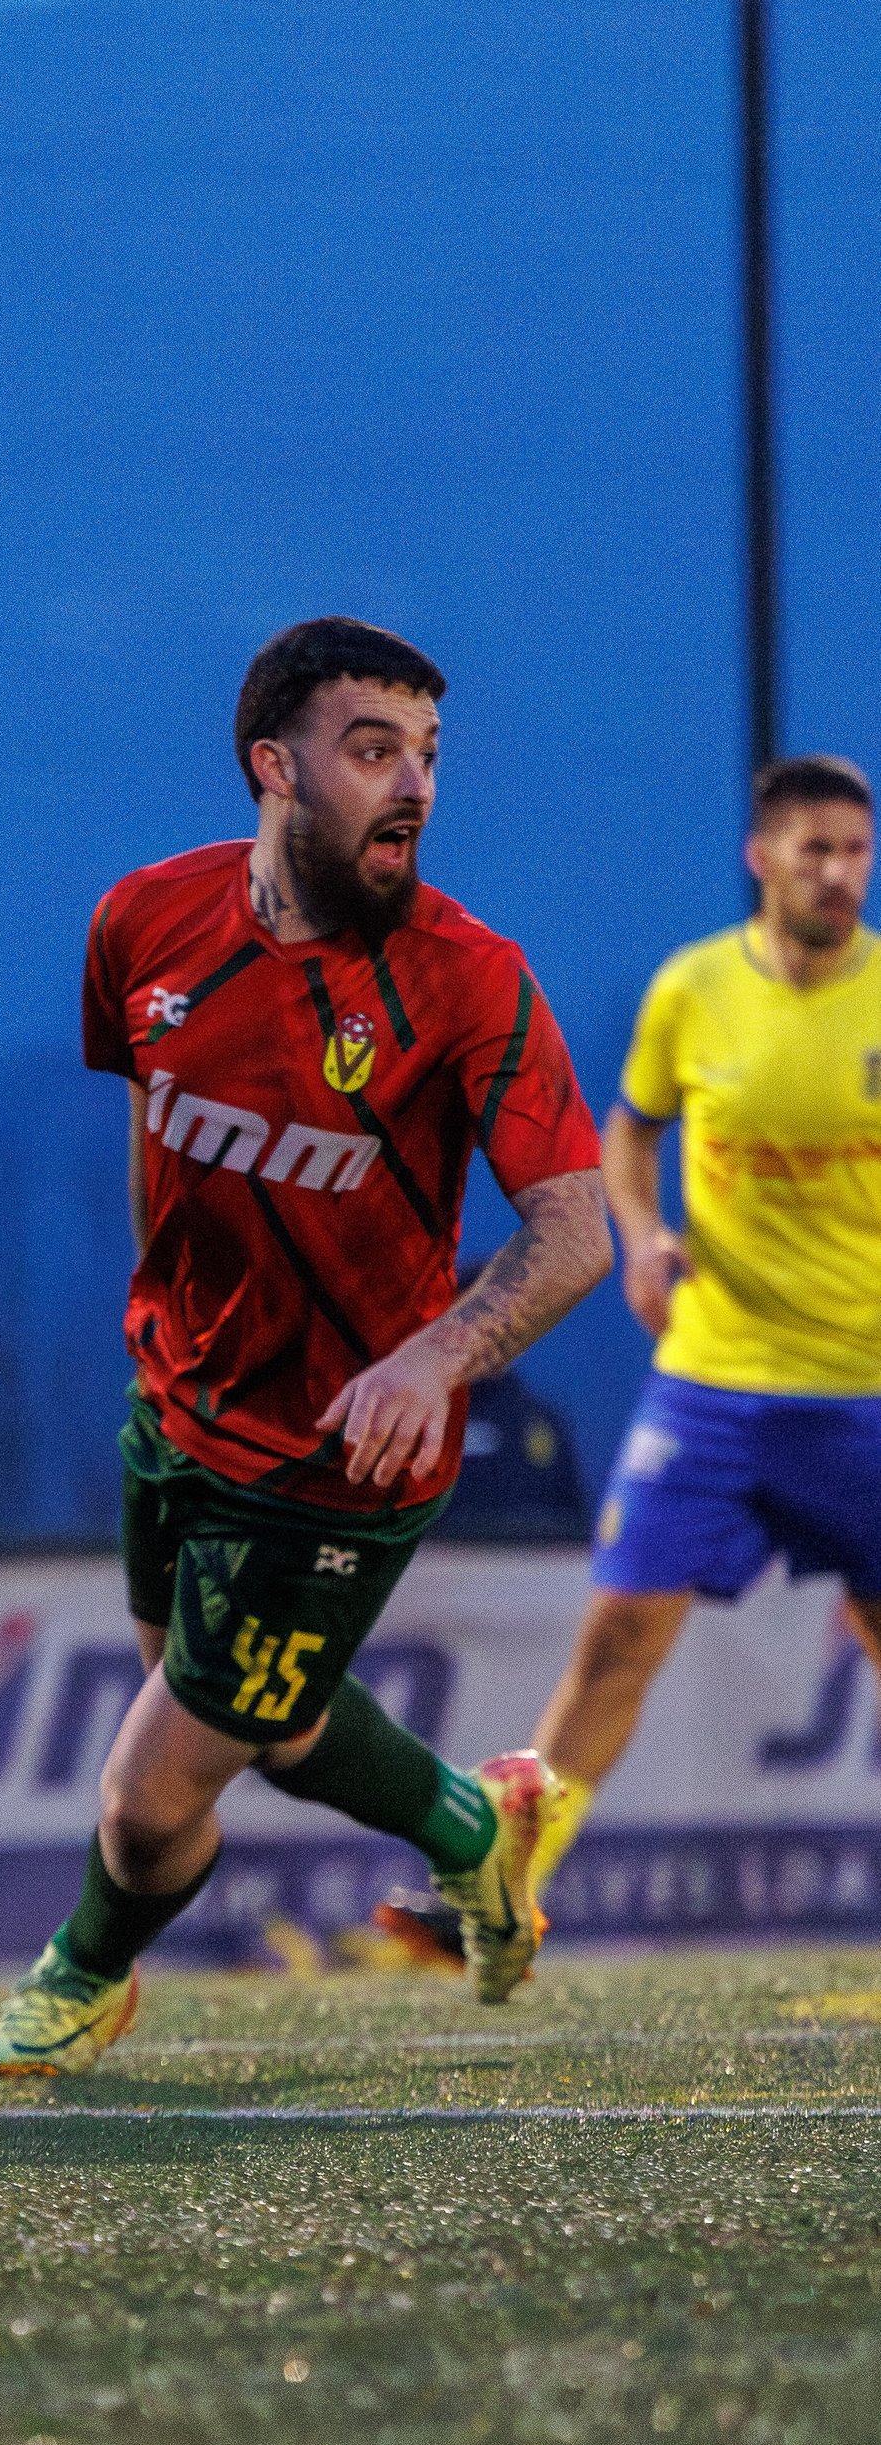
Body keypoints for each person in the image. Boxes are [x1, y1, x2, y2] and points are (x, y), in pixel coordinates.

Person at [0, 615, 613, 2076]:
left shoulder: (468, 977)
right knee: (261, 1723)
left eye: (427, 754)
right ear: (273, 765)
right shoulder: (142, 922)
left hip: (341, 1459)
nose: (414, 785)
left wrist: (433, 1359)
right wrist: (167, 1318)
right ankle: (474, 1825)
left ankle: (84, 1973)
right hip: (180, 1406)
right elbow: (156, 1118)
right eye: (373, 749)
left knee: (146, 1801)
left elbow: (577, 1231)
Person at [379, 753, 881, 1971]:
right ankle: (501, 1890)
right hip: (711, 1385)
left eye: (855, 851)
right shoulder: (692, 989)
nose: (838, 873)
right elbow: (629, 1130)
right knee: (616, 1638)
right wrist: (644, 1232)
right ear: (761, 858)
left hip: (862, 1391)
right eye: (814, 849)